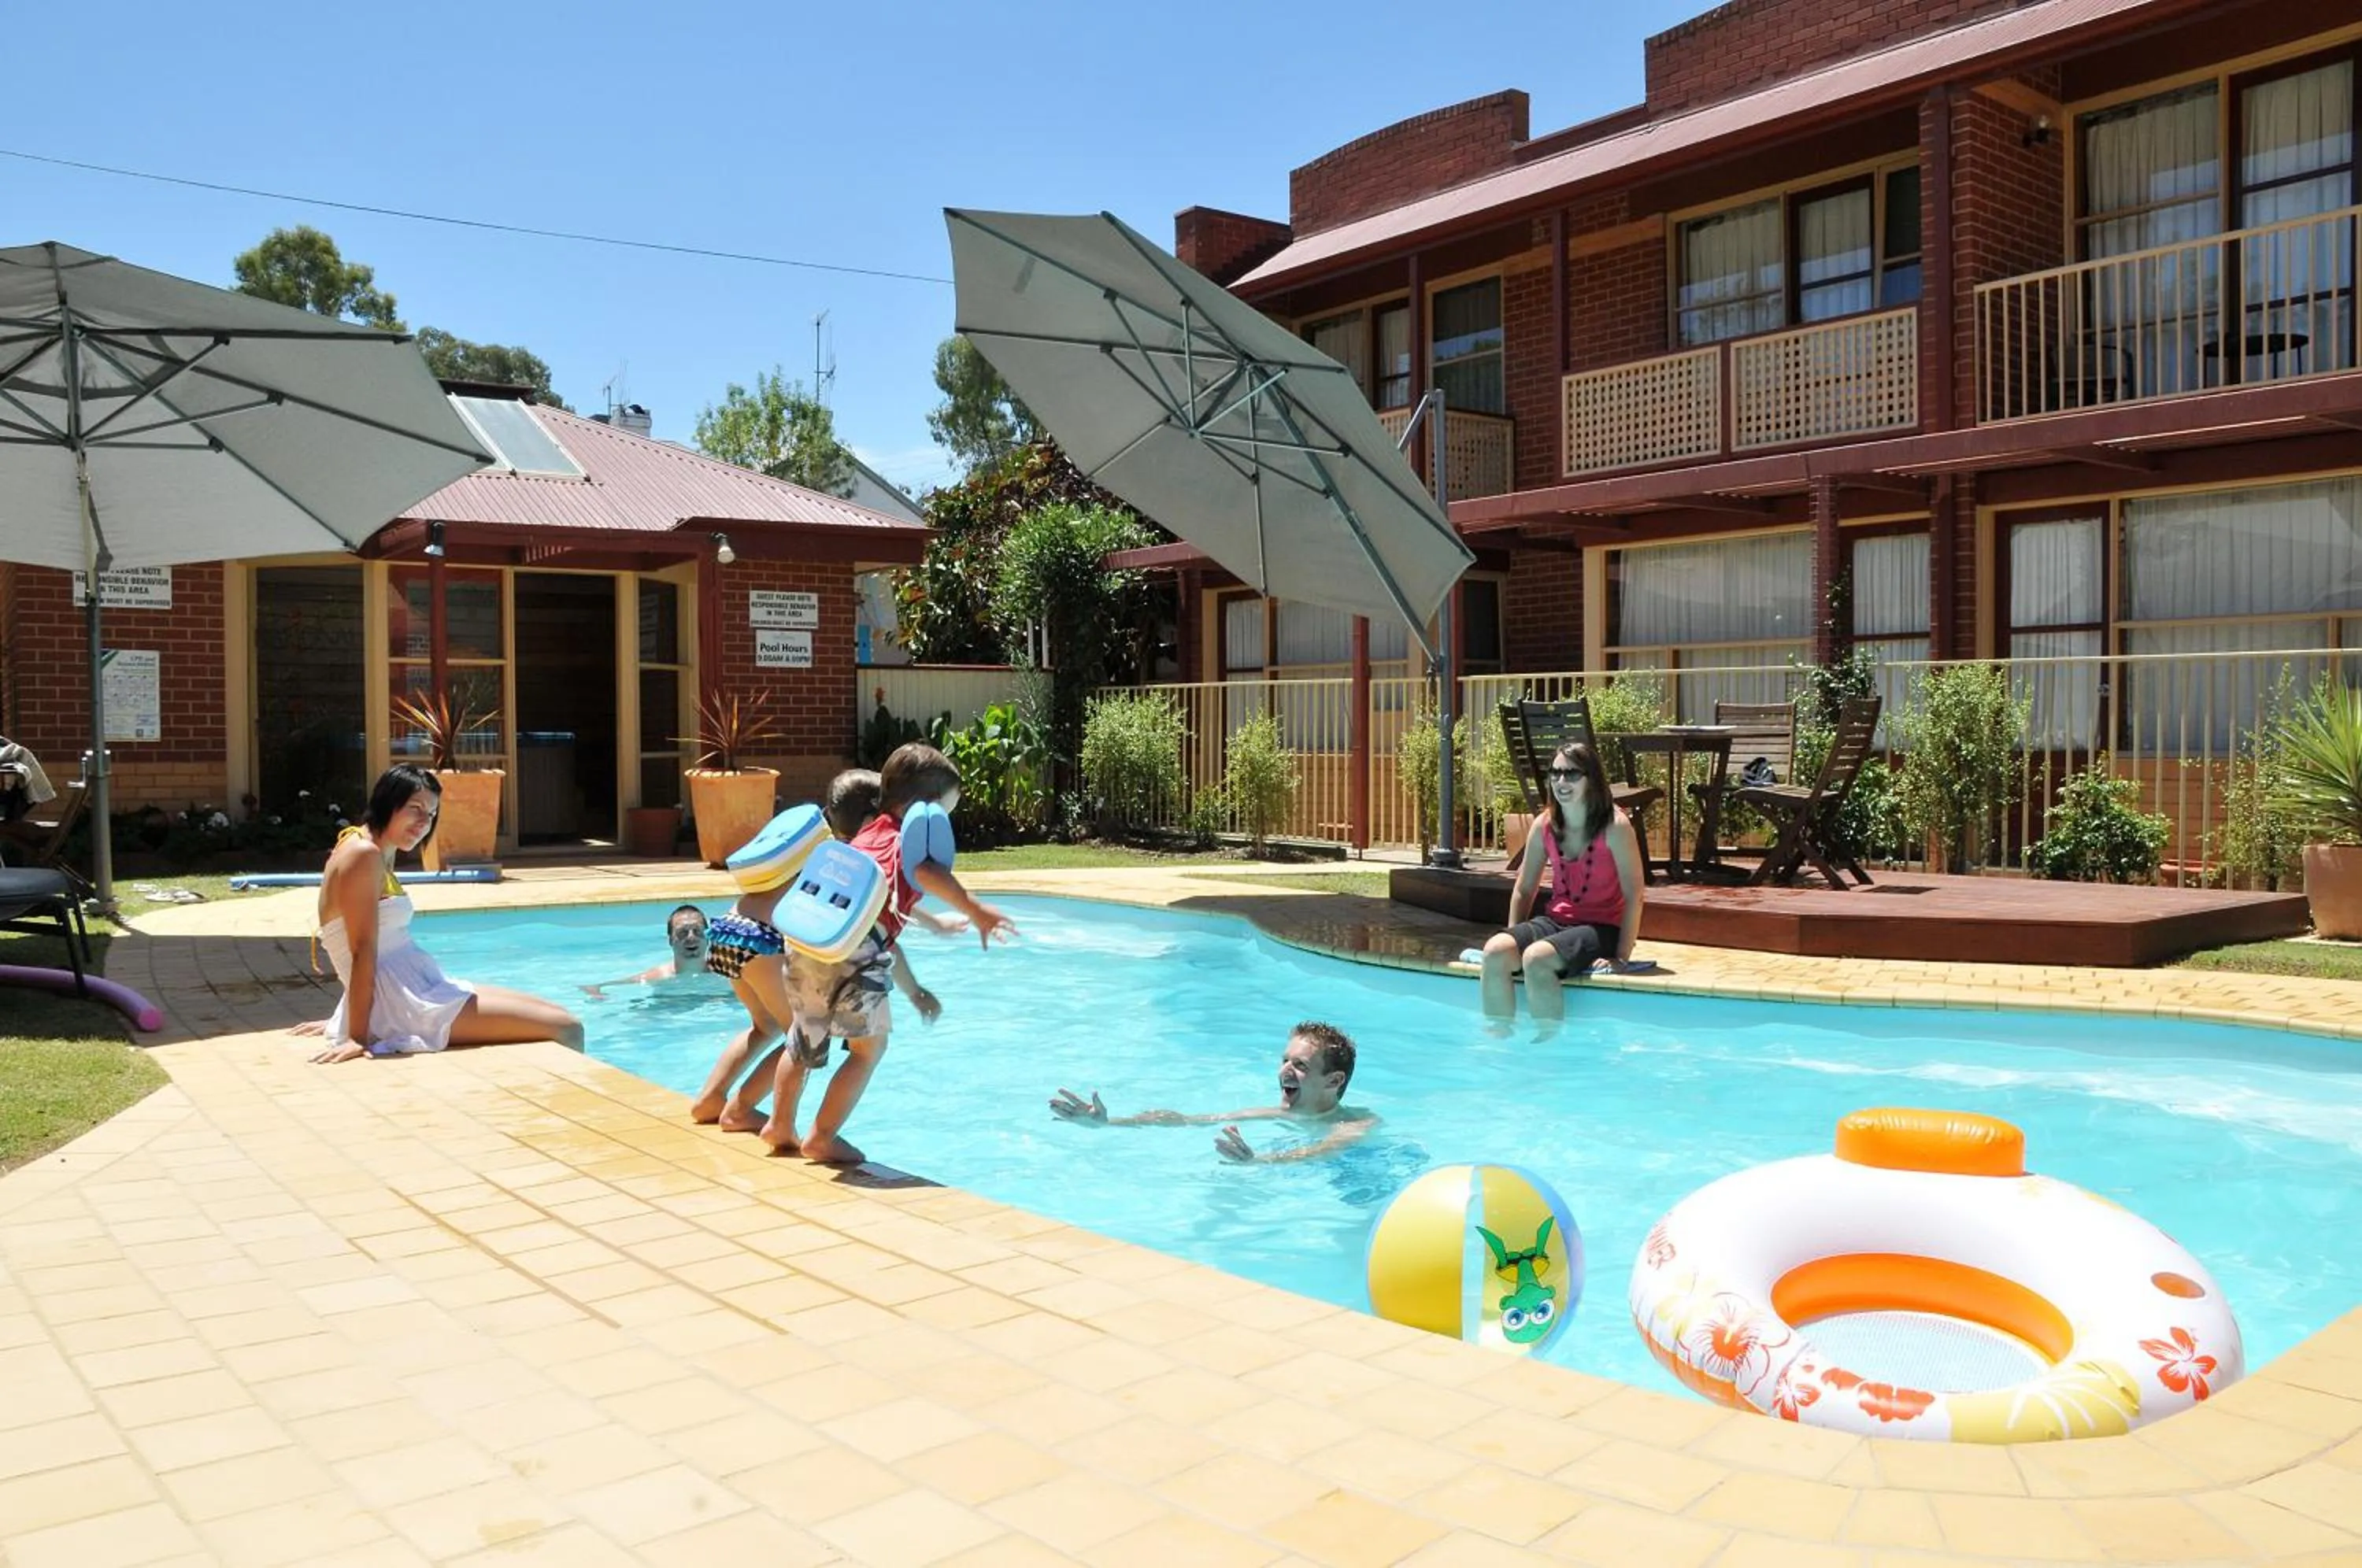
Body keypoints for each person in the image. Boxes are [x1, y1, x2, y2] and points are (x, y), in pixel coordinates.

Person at [757, 745, 1016, 1164]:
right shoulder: (908, 843)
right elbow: (925, 873)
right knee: (868, 1052)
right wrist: (975, 910)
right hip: (855, 956)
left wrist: (935, 925)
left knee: (803, 1040)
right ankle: (821, 1137)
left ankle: (779, 1125)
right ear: (927, 809)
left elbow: (887, 902)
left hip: (809, 943)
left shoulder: (867, 833)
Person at [693, 769, 951, 1132]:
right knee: (800, 1036)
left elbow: (882, 902)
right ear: (869, 818)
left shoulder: (824, 852)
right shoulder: (848, 864)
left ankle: (709, 1098)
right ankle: (739, 1109)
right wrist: (918, 983)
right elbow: (879, 905)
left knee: (763, 1026)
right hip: (765, 940)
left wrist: (933, 922)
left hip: (731, 932)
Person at [305, 764, 583, 1064]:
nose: (424, 823)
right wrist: (355, 1036)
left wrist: (347, 1016)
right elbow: (361, 951)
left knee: (560, 1014)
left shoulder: (376, 847)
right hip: (403, 1003)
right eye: (415, 809)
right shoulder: (364, 854)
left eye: (431, 814)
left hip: (417, 987)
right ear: (387, 802)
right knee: (568, 1028)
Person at [1479, 740, 1646, 1023]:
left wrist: (1621, 956)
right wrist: (1514, 938)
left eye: (1571, 774)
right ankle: (1500, 1044)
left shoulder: (1615, 827)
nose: (1561, 781)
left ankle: (1549, 1044)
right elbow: (1524, 888)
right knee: (1494, 952)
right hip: (1557, 921)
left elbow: (1635, 894)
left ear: (1591, 780)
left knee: (1537, 959)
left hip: (1601, 927)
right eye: (1555, 773)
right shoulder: (1544, 825)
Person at [1049, 1021, 1376, 1164]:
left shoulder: (1356, 1125)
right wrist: (1111, 1123)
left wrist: (1262, 1161)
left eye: (1301, 1065)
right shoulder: (1272, 1114)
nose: (1285, 1071)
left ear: (1333, 1081)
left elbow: (1322, 1152)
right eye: (1284, 1060)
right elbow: (1187, 1120)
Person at [582, 905, 714, 1000]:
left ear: (709, 937)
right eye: (682, 933)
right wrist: (596, 993)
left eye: (698, 931)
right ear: (670, 941)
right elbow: (594, 987)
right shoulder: (659, 976)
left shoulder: (725, 971)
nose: (691, 937)